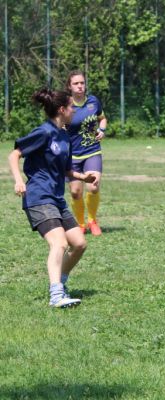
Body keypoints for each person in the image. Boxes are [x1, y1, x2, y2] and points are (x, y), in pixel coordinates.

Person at [8, 88, 99, 308]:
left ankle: (62, 281)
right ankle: (56, 295)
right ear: (62, 110)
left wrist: (83, 177)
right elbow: (14, 154)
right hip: (39, 197)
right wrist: (19, 180)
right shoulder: (44, 132)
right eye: (70, 107)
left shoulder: (64, 136)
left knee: (79, 244)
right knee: (59, 243)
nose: (73, 111)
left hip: (56, 198)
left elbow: (67, 170)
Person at [65, 71, 107, 236]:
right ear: (70, 86)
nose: (80, 86)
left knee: (93, 187)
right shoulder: (66, 104)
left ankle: (92, 220)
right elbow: (58, 123)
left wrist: (102, 129)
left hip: (92, 151)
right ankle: (81, 224)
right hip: (72, 155)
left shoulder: (93, 101)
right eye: (76, 83)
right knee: (75, 192)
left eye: (82, 82)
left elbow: (102, 118)